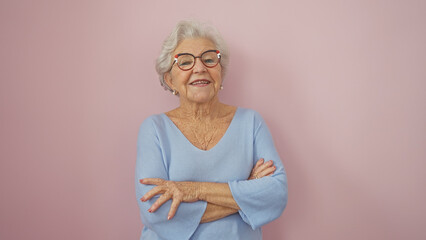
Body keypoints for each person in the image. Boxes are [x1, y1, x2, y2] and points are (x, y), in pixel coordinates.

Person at [135, 20, 288, 240]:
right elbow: (156, 212)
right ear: (170, 80)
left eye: (209, 59)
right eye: (185, 62)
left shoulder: (251, 122)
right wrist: (246, 192)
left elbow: (276, 195)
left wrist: (194, 190)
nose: (200, 68)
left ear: (221, 72)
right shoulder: (154, 129)